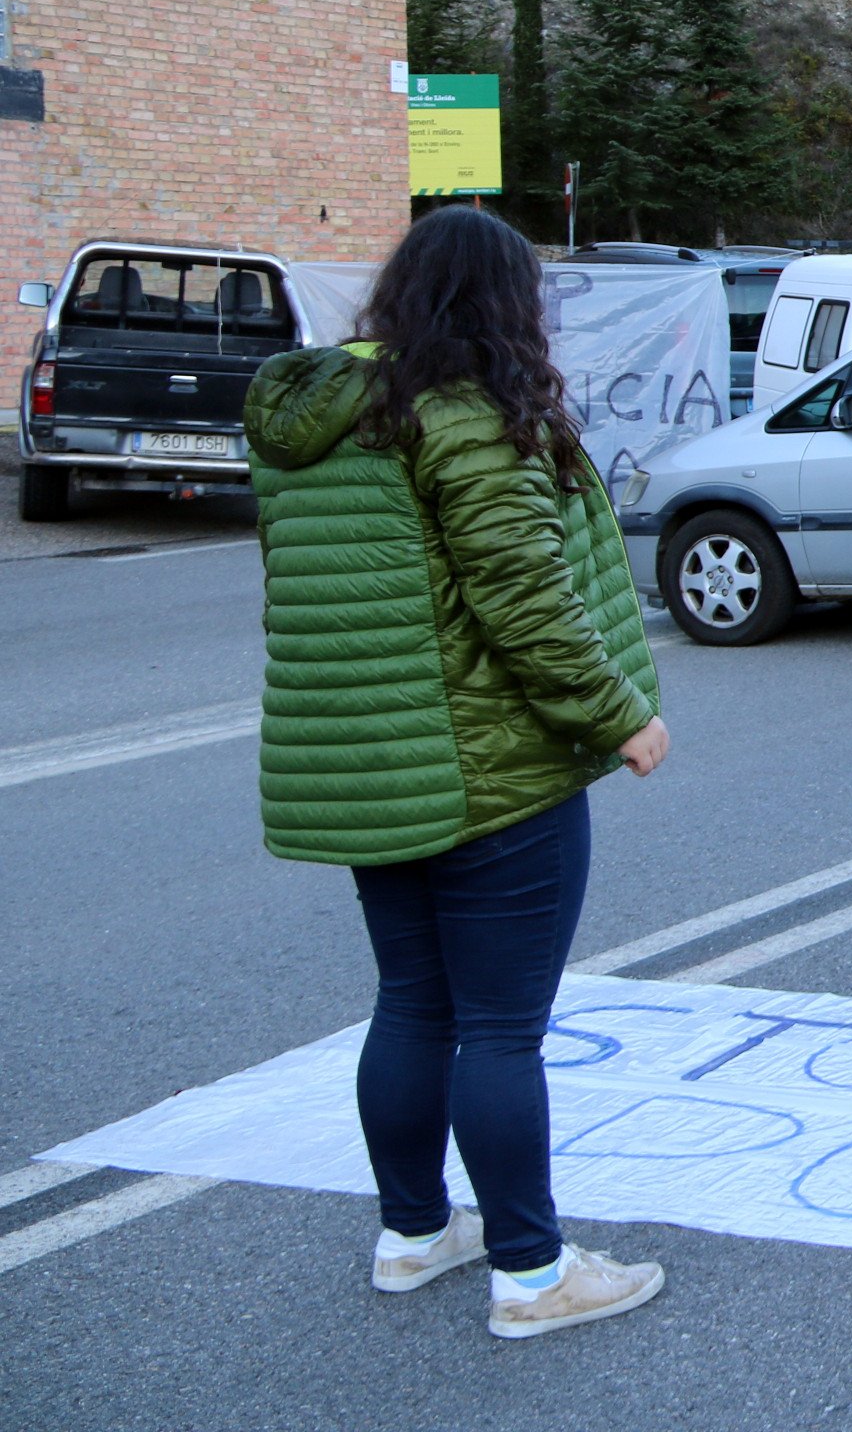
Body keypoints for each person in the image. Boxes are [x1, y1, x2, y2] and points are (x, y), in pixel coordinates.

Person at [243, 205, 671, 1342]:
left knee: (412, 1002)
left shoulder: (322, 415)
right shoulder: (463, 410)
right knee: (499, 1027)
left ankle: (415, 1231)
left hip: (375, 767)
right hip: (493, 763)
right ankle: (533, 1271)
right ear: (504, 302)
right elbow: (520, 590)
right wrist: (620, 713)